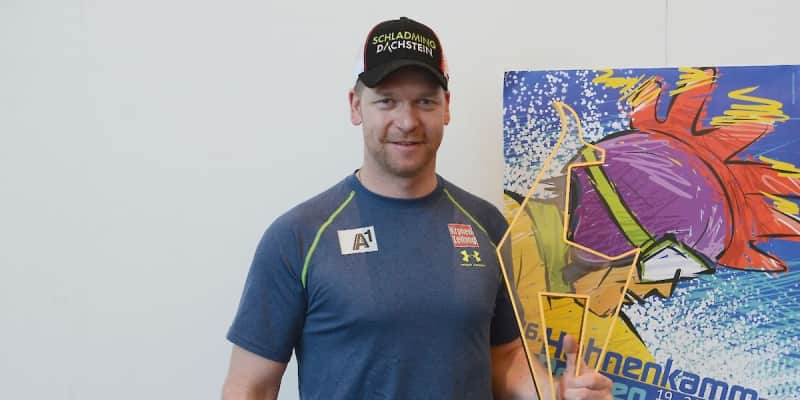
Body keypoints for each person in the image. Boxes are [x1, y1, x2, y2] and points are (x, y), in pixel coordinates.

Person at [222, 16, 613, 400]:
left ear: (446, 107)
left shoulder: (487, 225)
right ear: (356, 106)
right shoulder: (298, 236)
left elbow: (506, 357)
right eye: (387, 101)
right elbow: (250, 387)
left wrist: (556, 393)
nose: (407, 121)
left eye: (424, 101)